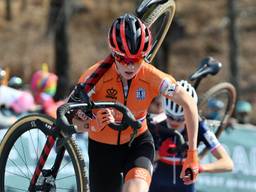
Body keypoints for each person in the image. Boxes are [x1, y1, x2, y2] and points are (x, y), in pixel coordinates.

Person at [70, 14, 199, 192]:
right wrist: (91, 123)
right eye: (123, 59)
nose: (130, 66)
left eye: (136, 60)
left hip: (137, 143)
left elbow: (189, 103)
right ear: (113, 53)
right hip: (102, 150)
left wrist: (192, 154)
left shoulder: (152, 76)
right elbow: (72, 120)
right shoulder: (94, 77)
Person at [149, 80, 233, 192]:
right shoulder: (155, 124)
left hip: (184, 186)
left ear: (190, 114)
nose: (174, 122)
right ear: (164, 110)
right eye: (170, 117)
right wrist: (159, 154)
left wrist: (200, 168)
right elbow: (135, 159)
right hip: (156, 185)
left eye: (181, 119)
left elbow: (228, 163)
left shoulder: (199, 126)